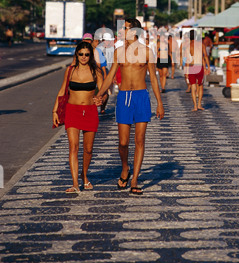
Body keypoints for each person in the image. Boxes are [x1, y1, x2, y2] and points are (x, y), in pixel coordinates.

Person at [94, 18, 164, 195]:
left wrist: (160, 104)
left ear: (134, 32)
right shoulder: (118, 52)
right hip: (124, 97)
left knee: (139, 140)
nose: (121, 31)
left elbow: (154, 80)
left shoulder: (147, 52)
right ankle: (125, 168)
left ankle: (134, 180)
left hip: (141, 97)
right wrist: (100, 94)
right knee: (123, 142)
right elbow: (110, 76)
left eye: (124, 28)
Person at [52, 41, 103, 194]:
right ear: (76, 54)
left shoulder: (96, 71)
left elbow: (103, 90)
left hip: (90, 111)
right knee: (73, 147)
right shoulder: (70, 70)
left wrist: (100, 98)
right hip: (72, 111)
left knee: (88, 150)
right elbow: (62, 91)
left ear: (90, 56)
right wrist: (54, 111)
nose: (83, 57)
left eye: (87, 54)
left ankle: (84, 175)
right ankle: (75, 183)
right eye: (81, 54)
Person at [184, 29, 210, 111]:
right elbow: (205, 56)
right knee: (200, 86)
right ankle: (199, 104)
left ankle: (195, 106)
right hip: (199, 66)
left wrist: (186, 71)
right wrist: (208, 67)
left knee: (193, 86)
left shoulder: (188, 46)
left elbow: (187, 59)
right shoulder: (201, 44)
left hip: (192, 67)